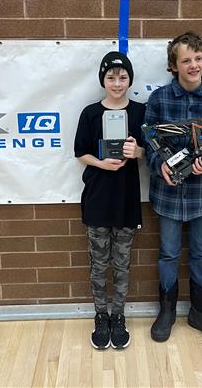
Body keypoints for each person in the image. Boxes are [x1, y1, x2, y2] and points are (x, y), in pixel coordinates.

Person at [144, 31, 202, 344]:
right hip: (167, 194)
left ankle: (201, 312)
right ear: (174, 65)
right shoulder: (158, 100)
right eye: (186, 60)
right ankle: (167, 310)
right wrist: (161, 166)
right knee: (168, 253)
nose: (193, 65)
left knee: (201, 253)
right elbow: (149, 143)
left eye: (198, 59)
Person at [74, 51, 145, 350]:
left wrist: (136, 152)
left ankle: (119, 316)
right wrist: (102, 163)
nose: (117, 83)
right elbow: (80, 152)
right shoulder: (90, 113)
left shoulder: (141, 112)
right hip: (98, 198)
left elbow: (148, 152)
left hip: (127, 199)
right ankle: (100, 315)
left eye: (123, 77)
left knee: (123, 263)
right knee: (99, 263)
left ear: (130, 80)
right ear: (103, 80)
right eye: (111, 77)